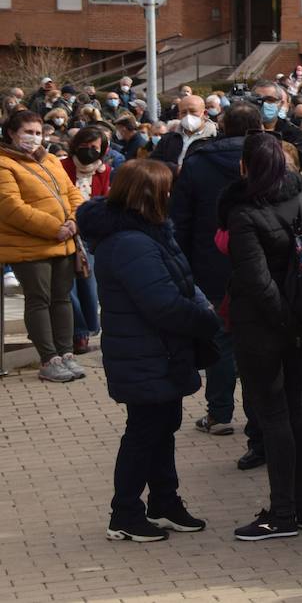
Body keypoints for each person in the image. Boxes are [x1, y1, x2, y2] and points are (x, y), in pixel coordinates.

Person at [76, 160, 222, 542]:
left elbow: (180, 285)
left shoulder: (149, 232)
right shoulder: (131, 242)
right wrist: (206, 321)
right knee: (143, 433)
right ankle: (124, 513)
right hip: (146, 354)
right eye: (166, 189)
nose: (171, 196)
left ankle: (164, 502)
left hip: (160, 353)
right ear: (148, 195)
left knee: (162, 429)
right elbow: (162, 303)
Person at [222, 132, 302, 541]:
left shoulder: (244, 212)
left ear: (247, 168)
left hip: (264, 329)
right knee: (296, 414)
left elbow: (256, 281)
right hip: (300, 325)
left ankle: (283, 512)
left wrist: (290, 324)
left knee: (274, 417)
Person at [171, 103, 262, 451]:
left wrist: (180, 265)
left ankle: (220, 413)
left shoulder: (198, 162)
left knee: (222, 338)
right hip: (258, 262)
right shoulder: (272, 157)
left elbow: (180, 218)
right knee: (254, 339)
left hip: (210, 261)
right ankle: (256, 416)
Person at [0, 110, 86, 383]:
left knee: (62, 300)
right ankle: (49, 358)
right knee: (39, 301)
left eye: (38, 132)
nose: (34, 138)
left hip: (63, 241)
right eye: (28, 132)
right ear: (12, 133)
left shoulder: (50, 159)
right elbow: (11, 207)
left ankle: (66, 353)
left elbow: (73, 193)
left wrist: (74, 221)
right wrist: (54, 228)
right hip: (30, 246)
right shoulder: (4, 164)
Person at [61, 125, 113, 353]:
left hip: (90, 236)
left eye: (94, 147)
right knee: (67, 286)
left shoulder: (105, 170)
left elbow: (103, 200)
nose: (89, 151)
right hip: (64, 230)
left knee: (88, 285)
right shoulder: (62, 166)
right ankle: (79, 333)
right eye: (85, 146)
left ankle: (90, 327)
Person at [150, 95, 215, 168]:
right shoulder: (167, 139)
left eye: (192, 111)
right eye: (184, 112)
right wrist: (174, 169)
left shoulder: (215, 140)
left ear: (205, 113)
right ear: (179, 115)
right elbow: (153, 164)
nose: (188, 116)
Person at [250, 79, 302, 155]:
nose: (264, 104)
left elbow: (295, 163)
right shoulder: (242, 129)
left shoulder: (294, 134)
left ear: (280, 104)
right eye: (258, 100)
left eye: (270, 100)